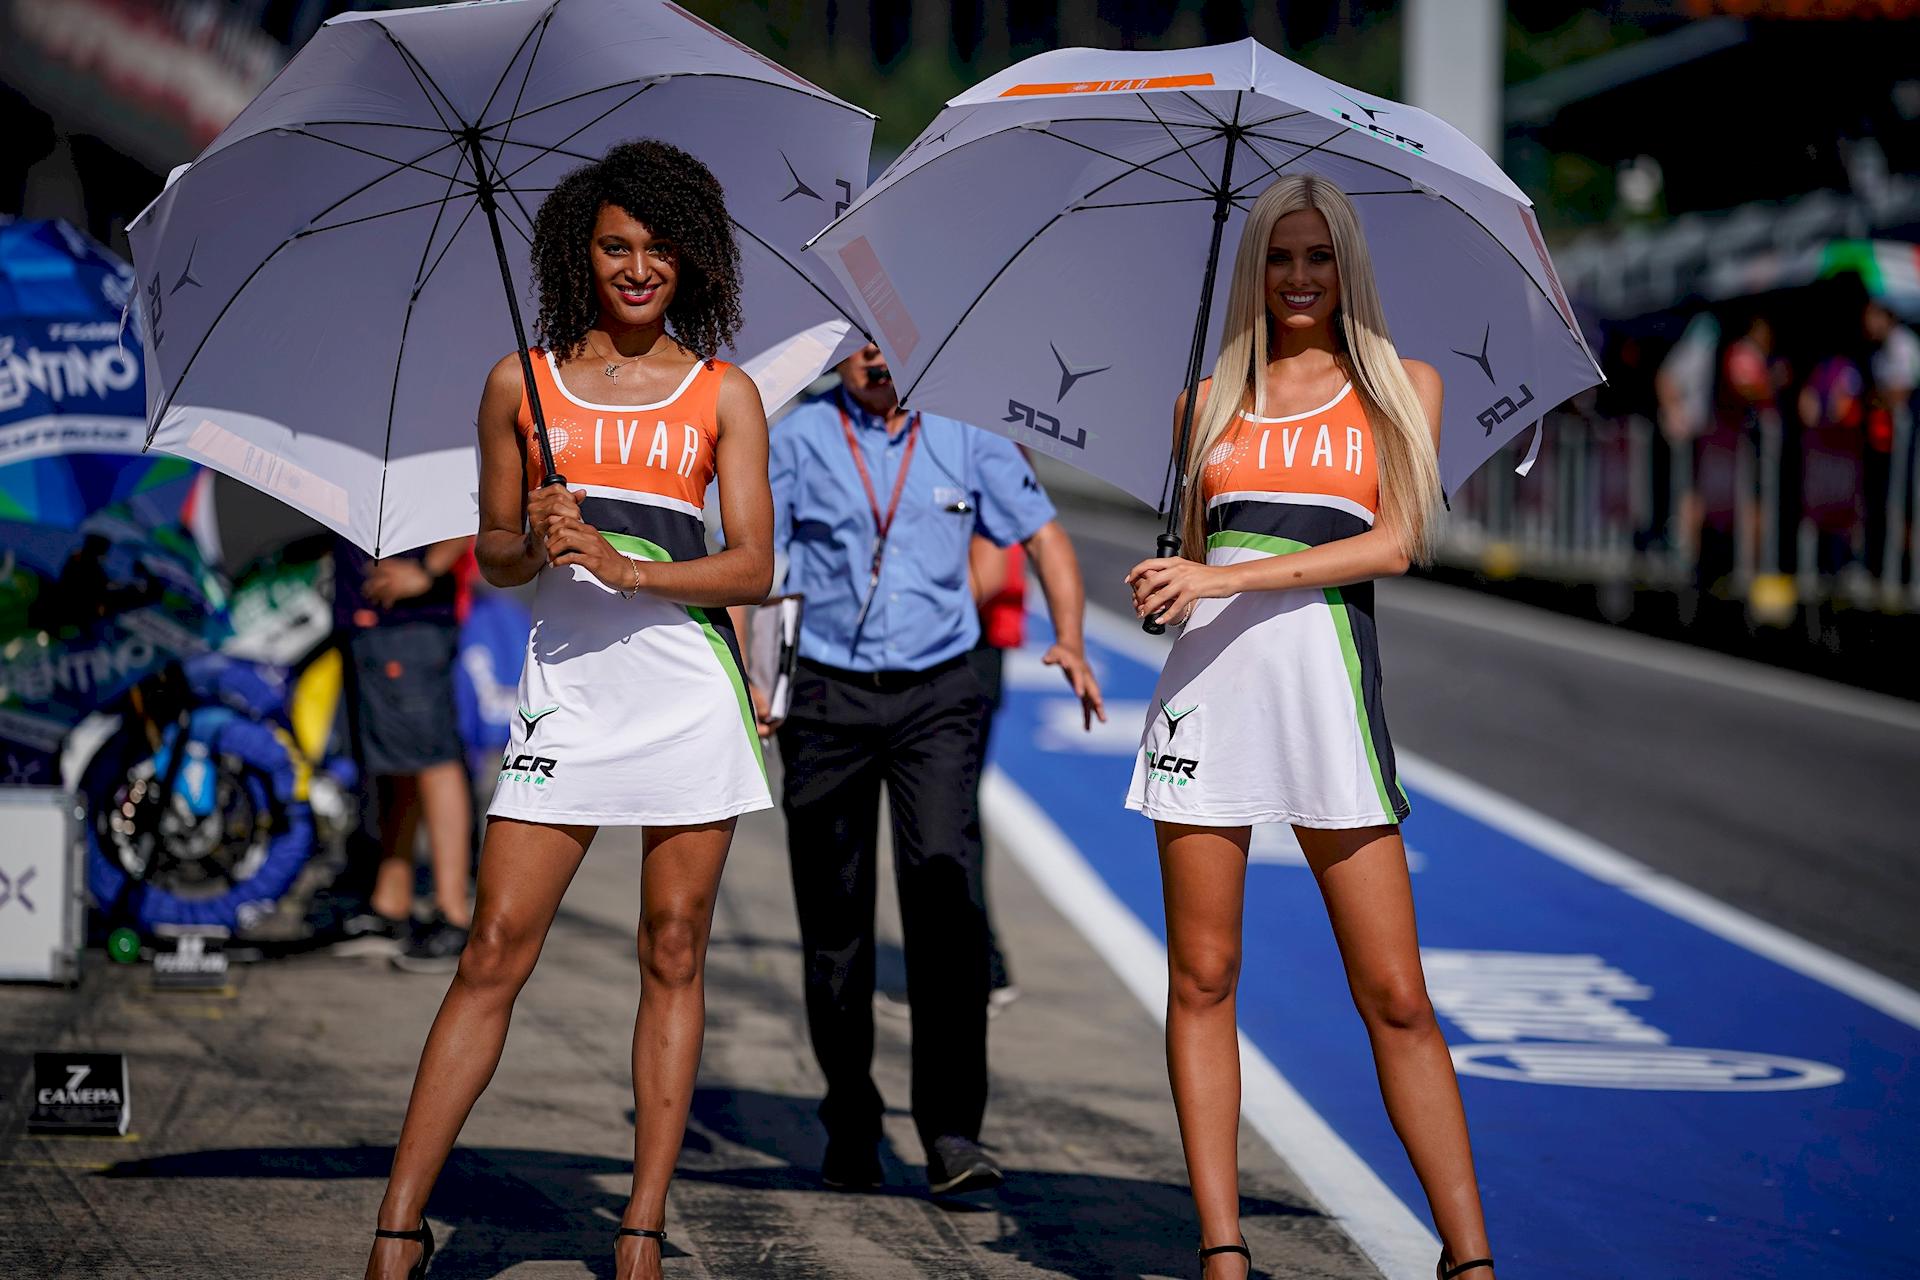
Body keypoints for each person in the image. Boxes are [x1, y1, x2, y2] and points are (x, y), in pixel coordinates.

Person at [364, 140, 773, 1280]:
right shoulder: (519, 384)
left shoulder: (723, 394)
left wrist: (630, 567)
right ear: (579, 256)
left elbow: (750, 566)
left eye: (657, 249)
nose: (638, 269)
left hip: (689, 692)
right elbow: (492, 557)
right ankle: (400, 1220)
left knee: (675, 948)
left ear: (690, 259)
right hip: (568, 699)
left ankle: (639, 1224)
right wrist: (527, 535)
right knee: (492, 944)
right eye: (615, 248)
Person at [1123, 175, 1496, 1280]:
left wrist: (1237, 575)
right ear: (1255, 268)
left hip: (1329, 698)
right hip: (1206, 700)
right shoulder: (1202, 404)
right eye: (1280, 257)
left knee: (1396, 991)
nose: (1298, 278)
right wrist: (1171, 584)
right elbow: (1193, 562)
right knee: (1202, 974)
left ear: (1347, 267)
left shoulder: (1399, 386)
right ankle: (1224, 1250)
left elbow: (1394, 545)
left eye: (1318, 257)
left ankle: (1469, 1257)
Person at [747, 342, 1104, 1199]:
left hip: (938, 697)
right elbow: (752, 559)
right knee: (835, 921)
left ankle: (951, 1131)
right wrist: (757, 678)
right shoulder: (796, 438)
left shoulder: (967, 432)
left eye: (891, 340)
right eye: (860, 343)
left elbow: (1044, 536)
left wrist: (1071, 635)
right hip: (828, 698)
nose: (877, 358)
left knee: (945, 897)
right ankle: (850, 1117)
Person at [330, 535, 476, 973]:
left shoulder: (435, 463)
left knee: (434, 760)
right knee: (397, 765)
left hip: (409, 622)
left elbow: (471, 503)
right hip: (372, 620)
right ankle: (391, 900)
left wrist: (428, 570)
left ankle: (452, 913)